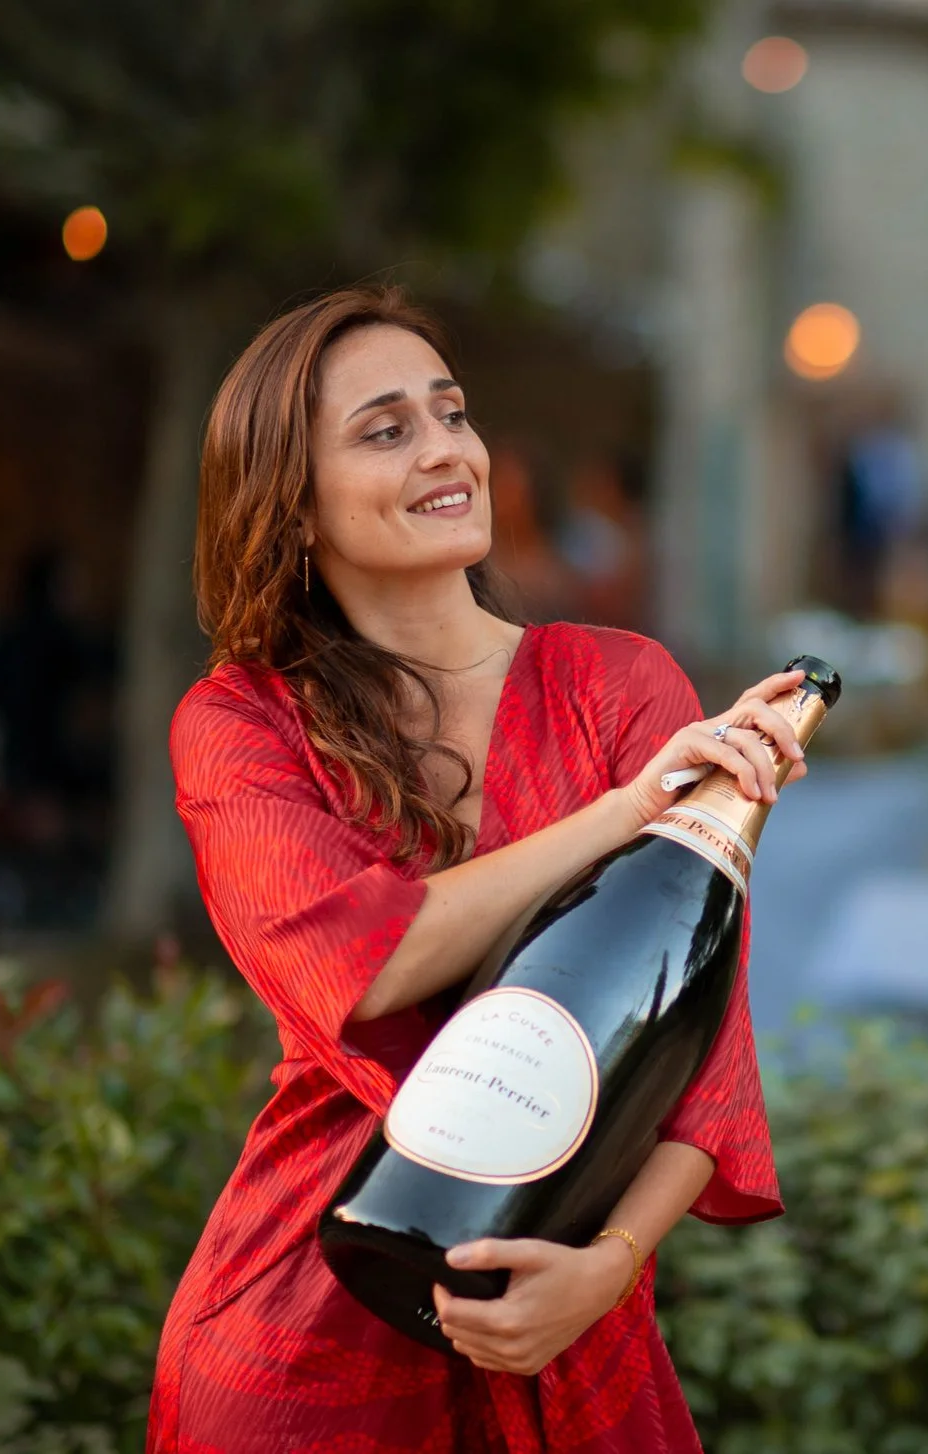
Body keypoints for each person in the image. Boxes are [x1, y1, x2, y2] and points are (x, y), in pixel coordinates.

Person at [150, 287, 806, 1452]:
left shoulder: (622, 687)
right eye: (386, 428)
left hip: (562, 1315)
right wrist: (623, 811)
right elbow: (365, 963)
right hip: (303, 1331)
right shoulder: (241, 725)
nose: (447, 448)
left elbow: (701, 1050)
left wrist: (606, 1270)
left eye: (451, 413)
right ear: (292, 506)